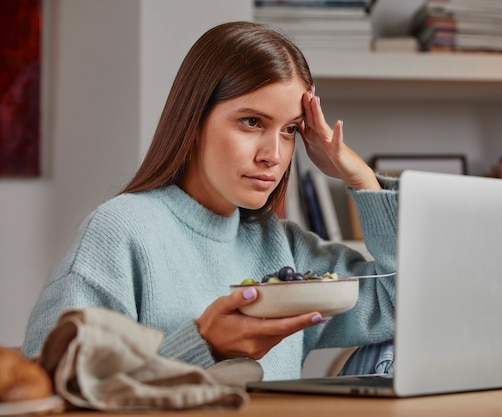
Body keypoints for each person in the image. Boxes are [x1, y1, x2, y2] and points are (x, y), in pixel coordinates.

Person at [22, 21, 397, 381]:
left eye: (290, 130)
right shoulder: (120, 233)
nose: (274, 154)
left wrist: (359, 176)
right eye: (252, 122)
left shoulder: (286, 250)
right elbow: (55, 392)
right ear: (194, 121)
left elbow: (403, 300)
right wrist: (204, 346)